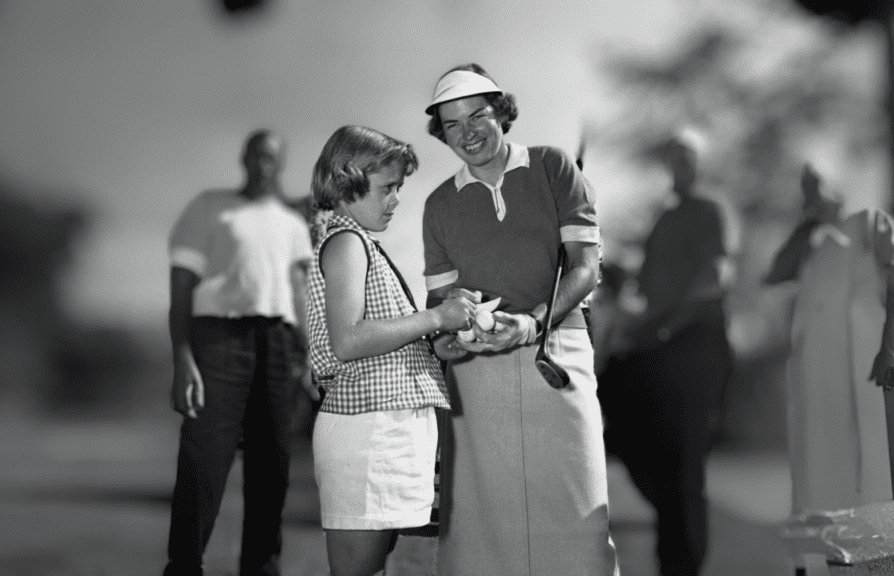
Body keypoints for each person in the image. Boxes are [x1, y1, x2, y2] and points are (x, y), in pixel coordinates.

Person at [421, 63, 619, 576]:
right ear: (440, 134)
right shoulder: (438, 205)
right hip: (476, 373)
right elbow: (444, 308)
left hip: (559, 352)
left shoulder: (553, 167)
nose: (467, 131)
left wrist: (532, 323)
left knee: (578, 509)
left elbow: (586, 268)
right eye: (452, 124)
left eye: (478, 114)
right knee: (484, 522)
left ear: (501, 113)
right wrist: (447, 342)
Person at [306, 125, 475, 576]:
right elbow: (348, 340)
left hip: (387, 431)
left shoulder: (364, 246)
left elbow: (381, 339)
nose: (396, 199)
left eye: (399, 187)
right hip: (366, 432)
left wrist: (433, 346)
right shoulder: (346, 243)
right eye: (387, 188)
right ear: (348, 181)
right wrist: (437, 317)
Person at [163, 129, 318, 576]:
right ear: (244, 158)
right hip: (219, 339)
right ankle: (184, 565)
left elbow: (299, 291)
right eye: (257, 154)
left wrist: (306, 352)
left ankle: (262, 567)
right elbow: (181, 288)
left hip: (279, 344)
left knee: (273, 466)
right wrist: (182, 356)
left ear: (282, 163)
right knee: (204, 459)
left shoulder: (291, 223)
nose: (264, 163)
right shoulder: (209, 207)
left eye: (273, 156)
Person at [765, 163, 894, 562]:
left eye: (816, 186)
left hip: (866, 354)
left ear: (838, 187)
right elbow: (775, 274)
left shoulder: (869, 223)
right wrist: (804, 228)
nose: (810, 197)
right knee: (827, 466)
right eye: (804, 191)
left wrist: (891, 344)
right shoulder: (814, 243)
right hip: (820, 370)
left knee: (883, 453)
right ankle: (841, 549)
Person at [599, 130, 735, 576]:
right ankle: (673, 536)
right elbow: (646, 289)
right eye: (675, 156)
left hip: (694, 345)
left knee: (683, 463)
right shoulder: (663, 220)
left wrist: (665, 325)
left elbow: (712, 279)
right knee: (623, 421)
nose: (681, 164)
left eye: (689, 156)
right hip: (658, 346)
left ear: (701, 164)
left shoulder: (708, 211)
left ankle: (683, 562)